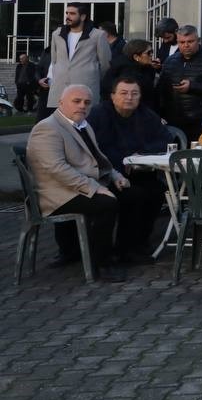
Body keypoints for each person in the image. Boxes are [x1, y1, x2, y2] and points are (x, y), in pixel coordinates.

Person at [25, 85, 128, 282]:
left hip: (76, 186)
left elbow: (98, 159)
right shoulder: (47, 128)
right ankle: (102, 263)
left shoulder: (82, 125)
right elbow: (57, 170)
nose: (82, 106)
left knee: (135, 193)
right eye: (77, 101)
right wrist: (95, 188)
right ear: (61, 103)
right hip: (56, 194)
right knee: (107, 204)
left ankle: (125, 250)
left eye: (87, 103)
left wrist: (115, 176)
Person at [87, 74, 170, 261]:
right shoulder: (99, 114)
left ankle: (139, 243)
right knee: (133, 195)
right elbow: (96, 149)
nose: (129, 98)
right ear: (113, 95)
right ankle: (124, 248)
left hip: (140, 170)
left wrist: (139, 155)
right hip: (106, 174)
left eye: (134, 93)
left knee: (157, 191)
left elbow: (164, 139)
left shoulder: (145, 114)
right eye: (123, 93)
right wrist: (123, 162)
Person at [160, 25, 202, 143]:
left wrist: (193, 86)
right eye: (182, 42)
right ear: (177, 42)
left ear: (198, 41)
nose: (186, 45)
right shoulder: (170, 61)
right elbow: (162, 90)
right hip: (175, 120)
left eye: (190, 41)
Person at [42, 2, 113, 110]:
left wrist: (94, 78)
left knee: (86, 124)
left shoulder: (98, 35)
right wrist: (50, 77)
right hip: (60, 89)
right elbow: (54, 60)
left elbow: (105, 64)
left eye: (72, 13)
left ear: (83, 16)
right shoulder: (57, 34)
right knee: (61, 124)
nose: (68, 16)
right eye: (67, 13)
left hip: (86, 88)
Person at [101, 39, 161, 114]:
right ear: (136, 57)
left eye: (152, 52)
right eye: (148, 53)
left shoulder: (144, 68)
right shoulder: (127, 73)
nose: (151, 55)